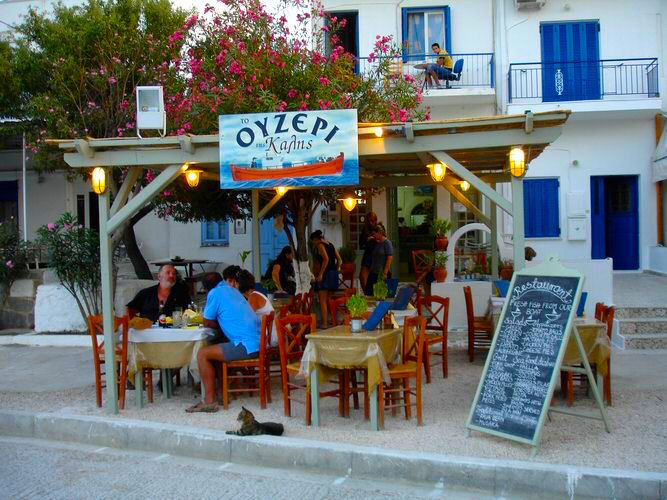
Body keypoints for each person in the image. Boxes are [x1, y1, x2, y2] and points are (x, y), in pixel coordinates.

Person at [186, 267, 260, 413]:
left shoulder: (214, 293)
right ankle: (220, 393)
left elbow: (207, 321)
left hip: (245, 345)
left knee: (203, 354)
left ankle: (209, 401)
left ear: (206, 290)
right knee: (215, 346)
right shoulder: (232, 290)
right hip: (257, 342)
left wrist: (219, 323)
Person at [126, 264, 191, 322]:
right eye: (168, 273)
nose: (171, 275)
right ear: (159, 276)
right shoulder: (146, 293)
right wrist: (135, 322)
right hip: (148, 331)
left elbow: (189, 312)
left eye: (174, 273)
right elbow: (131, 309)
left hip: (173, 331)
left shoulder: (182, 294)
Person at [310, 230, 341, 329]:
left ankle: (324, 323)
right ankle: (332, 320)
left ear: (316, 239)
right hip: (333, 274)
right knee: (329, 300)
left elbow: (326, 259)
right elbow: (339, 260)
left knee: (322, 300)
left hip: (326, 275)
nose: (314, 244)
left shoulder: (320, 245)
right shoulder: (331, 244)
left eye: (313, 241)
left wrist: (321, 274)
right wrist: (336, 270)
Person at [238, 269, 277, 345]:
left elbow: (246, 320)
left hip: (269, 339)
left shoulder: (253, 297)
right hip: (272, 335)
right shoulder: (256, 294)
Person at [364, 225, 393, 296]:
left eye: (374, 234)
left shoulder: (387, 243)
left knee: (381, 294)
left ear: (380, 233)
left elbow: (389, 258)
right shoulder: (376, 242)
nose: (373, 236)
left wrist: (385, 273)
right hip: (373, 271)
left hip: (382, 273)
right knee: (369, 292)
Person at [358, 212, 379, 290]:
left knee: (375, 276)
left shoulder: (379, 227)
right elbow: (361, 243)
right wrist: (367, 240)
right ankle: (366, 293)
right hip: (368, 253)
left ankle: (373, 292)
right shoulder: (365, 229)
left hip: (377, 254)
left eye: (372, 220)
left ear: (375, 220)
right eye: (369, 221)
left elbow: (383, 239)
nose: (370, 222)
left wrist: (374, 238)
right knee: (362, 276)